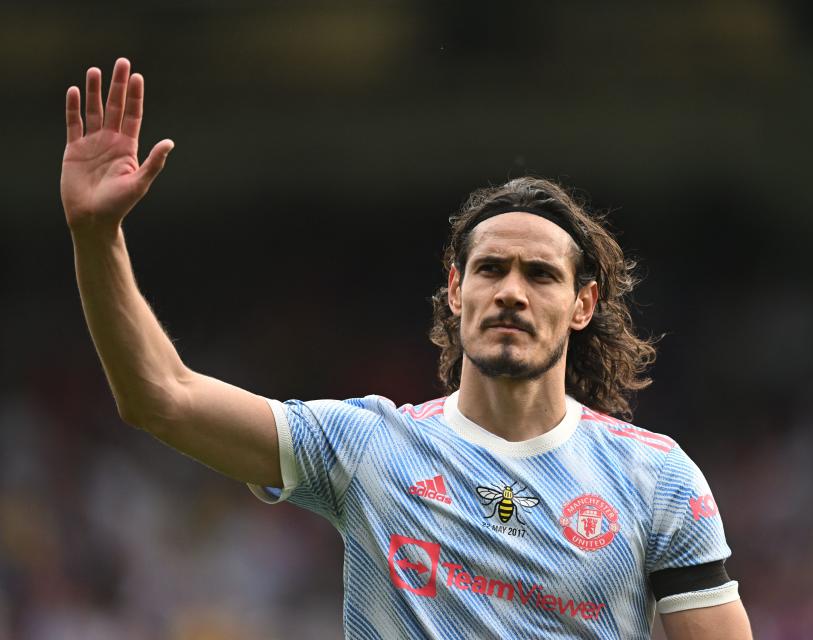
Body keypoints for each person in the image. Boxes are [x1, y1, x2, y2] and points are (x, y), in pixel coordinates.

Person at [61, 58, 752, 640]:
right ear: (456, 290)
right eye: (490, 269)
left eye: (540, 274)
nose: (511, 291)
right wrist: (98, 237)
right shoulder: (366, 447)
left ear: (583, 305)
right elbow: (161, 397)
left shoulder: (654, 478)